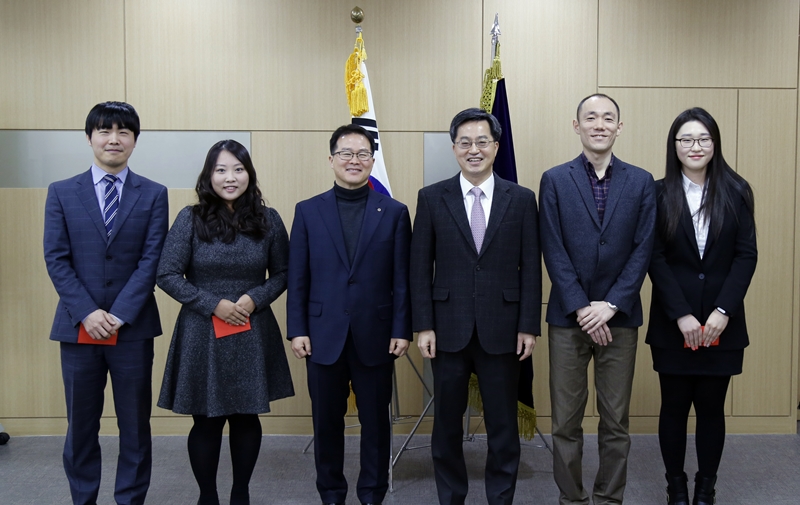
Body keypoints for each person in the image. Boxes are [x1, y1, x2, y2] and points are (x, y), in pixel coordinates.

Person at [410, 108, 541, 505]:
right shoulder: (432, 198)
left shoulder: (522, 199)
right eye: (465, 142)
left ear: (496, 147)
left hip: (503, 329)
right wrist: (423, 324)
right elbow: (420, 266)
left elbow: (531, 267)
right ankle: (451, 498)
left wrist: (528, 325)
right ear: (454, 148)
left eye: (482, 141)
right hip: (447, 328)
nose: (474, 150)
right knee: (446, 426)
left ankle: (500, 498)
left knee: (502, 427)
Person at [43, 101, 169, 505]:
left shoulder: (154, 193)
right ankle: (84, 499)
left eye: (123, 132)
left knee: (135, 426)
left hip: (132, 329)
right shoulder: (62, 192)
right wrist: (87, 312)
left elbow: (152, 260)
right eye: (104, 130)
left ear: (134, 140)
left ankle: (130, 499)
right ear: (89, 138)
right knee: (81, 426)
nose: (114, 139)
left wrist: (118, 314)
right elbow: (56, 258)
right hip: (78, 328)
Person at [157, 140, 294, 505]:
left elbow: (284, 273)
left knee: (247, 417)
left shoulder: (269, 219)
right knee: (206, 420)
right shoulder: (190, 218)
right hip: (203, 331)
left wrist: (255, 298)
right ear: (209, 176)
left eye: (238, 169)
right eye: (221, 170)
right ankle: (208, 496)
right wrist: (212, 304)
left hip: (253, 327)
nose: (230, 177)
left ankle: (240, 494)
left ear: (249, 174)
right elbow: (166, 273)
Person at [539, 94, 656, 505]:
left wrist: (611, 304)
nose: (600, 124)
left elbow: (643, 249)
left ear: (619, 127)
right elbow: (552, 246)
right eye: (591, 118)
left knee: (616, 422)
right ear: (577, 126)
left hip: (619, 319)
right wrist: (583, 306)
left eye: (608, 118)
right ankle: (571, 499)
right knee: (565, 423)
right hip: (568, 318)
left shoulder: (641, 181)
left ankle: (609, 499)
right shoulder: (555, 179)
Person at [286, 124, 411, 505]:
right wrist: (297, 329)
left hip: (376, 334)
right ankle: (331, 494)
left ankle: (372, 494)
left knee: (376, 423)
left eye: (362, 154)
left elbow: (402, 278)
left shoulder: (394, 212)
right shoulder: (308, 211)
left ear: (372, 160)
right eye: (346, 153)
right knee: (326, 423)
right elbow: (298, 277)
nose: (354, 160)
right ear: (331, 159)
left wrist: (402, 329)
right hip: (322, 335)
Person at [647, 108, 756, 505]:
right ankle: (676, 489)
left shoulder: (737, 189)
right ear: (674, 145)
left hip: (720, 325)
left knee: (712, 408)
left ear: (715, 143)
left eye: (704, 138)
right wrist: (681, 314)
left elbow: (746, 255)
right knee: (674, 407)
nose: (695, 146)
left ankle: (705, 490)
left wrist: (723, 311)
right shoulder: (657, 193)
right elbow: (654, 256)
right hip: (673, 323)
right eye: (686, 139)